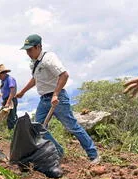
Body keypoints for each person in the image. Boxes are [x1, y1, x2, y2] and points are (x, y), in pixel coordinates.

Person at [15, 34, 100, 164]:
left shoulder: (49, 58)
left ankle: (93, 154)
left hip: (57, 98)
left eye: (30, 49)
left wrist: (55, 94)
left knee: (72, 127)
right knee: (38, 128)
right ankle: (58, 152)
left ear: (39, 47)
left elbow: (64, 75)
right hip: (44, 100)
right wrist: (22, 92)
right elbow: (35, 79)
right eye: (26, 50)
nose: (28, 53)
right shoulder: (33, 63)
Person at [0, 64, 18, 130]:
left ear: (4, 73)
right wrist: (4, 101)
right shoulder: (3, 81)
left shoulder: (10, 79)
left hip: (11, 99)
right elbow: (4, 91)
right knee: (8, 117)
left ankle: (13, 132)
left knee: (12, 117)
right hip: (6, 100)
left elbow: (12, 91)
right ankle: (12, 131)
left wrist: (8, 102)